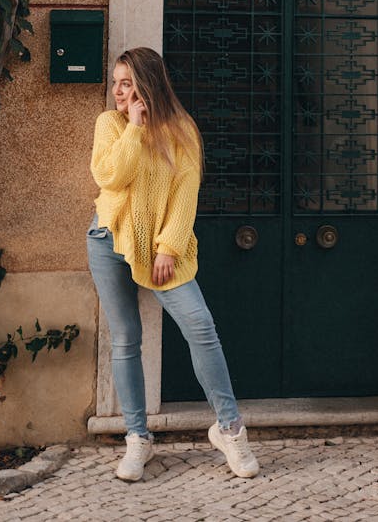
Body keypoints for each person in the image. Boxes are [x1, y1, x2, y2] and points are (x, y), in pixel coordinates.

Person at [86, 47, 259, 482]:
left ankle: (230, 428)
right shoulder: (110, 124)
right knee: (126, 338)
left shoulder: (182, 131)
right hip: (108, 239)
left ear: (148, 84)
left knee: (201, 327)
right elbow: (110, 177)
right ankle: (137, 437)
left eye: (127, 83)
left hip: (165, 250)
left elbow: (186, 194)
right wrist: (135, 127)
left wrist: (168, 247)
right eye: (115, 83)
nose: (119, 91)